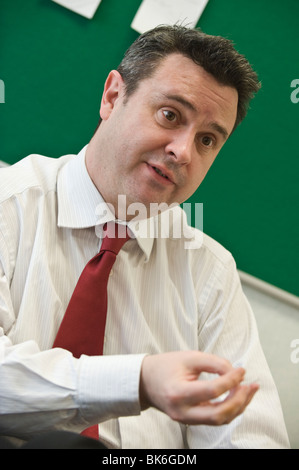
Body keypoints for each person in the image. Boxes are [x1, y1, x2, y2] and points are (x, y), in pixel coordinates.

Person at [0, 25, 290, 449]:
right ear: (113, 97)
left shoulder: (208, 270)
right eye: (170, 115)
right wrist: (138, 381)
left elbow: (248, 437)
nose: (184, 152)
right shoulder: (10, 205)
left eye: (207, 140)